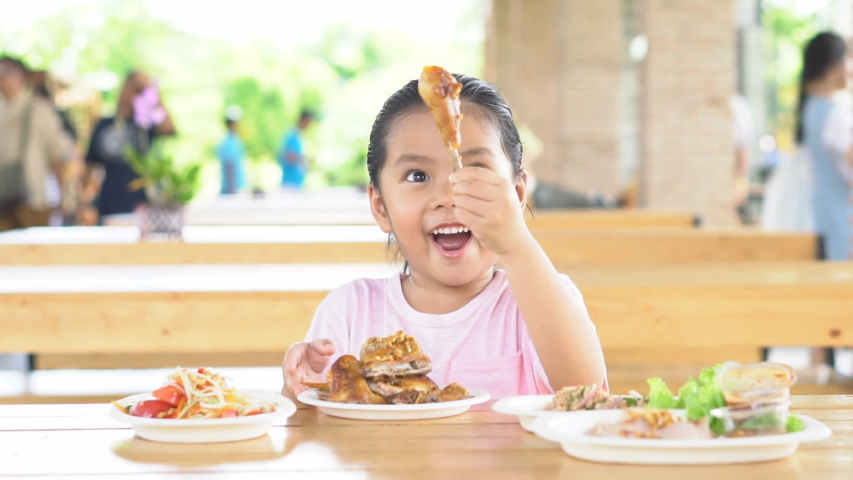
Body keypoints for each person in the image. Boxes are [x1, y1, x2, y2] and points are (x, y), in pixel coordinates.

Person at [281, 75, 607, 400]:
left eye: (476, 169)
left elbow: (587, 396)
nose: (448, 195)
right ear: (380, 206)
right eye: (417, 176)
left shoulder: (541, 300)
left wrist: (517, 245)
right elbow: (312, 428)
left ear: (517, 194)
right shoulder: (350, 311)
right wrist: (299, 389)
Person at [85, 71, 176, 223]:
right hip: (110, 201)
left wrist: (150, 92)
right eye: (129, 87)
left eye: (137, 89)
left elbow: (168, 129)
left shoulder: (146, 124)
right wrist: (84, 201)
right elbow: (89, 164)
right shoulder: (104, 124)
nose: (131, 93)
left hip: (143, 202)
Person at [795, 32, 853, 261]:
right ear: (834, 66)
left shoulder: (810, 108)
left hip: (820, 220)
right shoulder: (833, 115)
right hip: (838, 223)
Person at [0, 56, 75, 231]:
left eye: (7, 73)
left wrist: (64, 197)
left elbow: (57, 156)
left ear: (22, 77)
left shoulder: (39, 110)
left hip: (32, 199)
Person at [278, 110, 314, 189]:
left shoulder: (300, 137)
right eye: (309, 122)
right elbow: (287, 156)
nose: (309, 125)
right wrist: (303, 159)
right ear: (304, 120)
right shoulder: (291, 135)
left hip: (298, 184)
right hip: (289, 184)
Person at [217, 106, 246, 195]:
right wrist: (231, 190)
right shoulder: (228, 142)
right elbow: (229, 165)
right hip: (231, 191)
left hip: (238, 189)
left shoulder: (236, 140)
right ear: (230, 124)